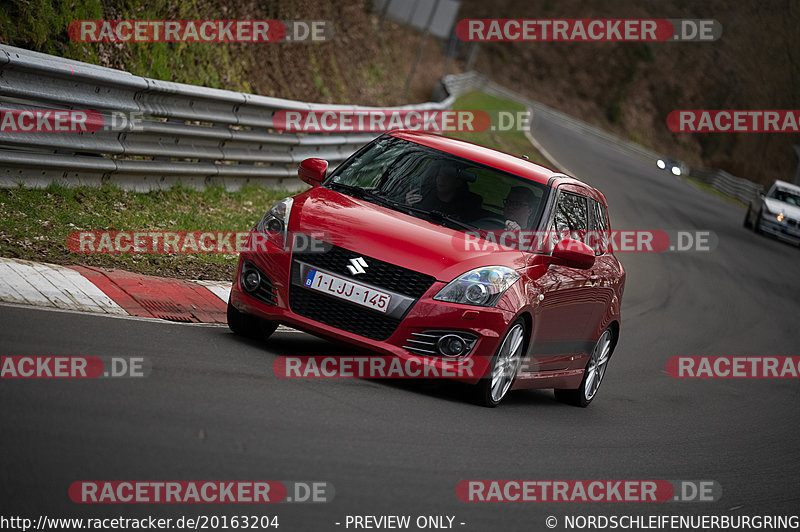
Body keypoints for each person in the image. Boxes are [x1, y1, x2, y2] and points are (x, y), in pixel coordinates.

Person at [405, 163, 481, 221]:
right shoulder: (423, 197)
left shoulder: (467, 207)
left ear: (458, 183)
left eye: (447, 178)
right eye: (440, 176)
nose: (441, 180)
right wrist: (407, 205)